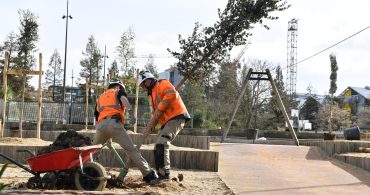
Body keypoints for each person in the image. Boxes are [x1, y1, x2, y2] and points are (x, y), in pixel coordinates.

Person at [93, 80, 160, 184]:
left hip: (101, 126)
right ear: (119, 87)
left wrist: (102, 132)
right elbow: (124, 100)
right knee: (132, 151)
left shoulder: (100, 97)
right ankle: (149, 175)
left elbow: (97, 116)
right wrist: (131, 114)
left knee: (94, 151)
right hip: (115, 124)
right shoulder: (118, 92)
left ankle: (84, 171)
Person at [138, 70, 190, 180]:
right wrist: (149, 128)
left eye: (142, 85)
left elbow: (171, 94)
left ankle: (164, 175)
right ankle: (161, 173)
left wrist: (159, 109)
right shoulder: (151, 96)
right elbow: (155, 115)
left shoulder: (162, 83)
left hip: (176, 116)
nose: (142, 88)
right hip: (167, 121)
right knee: (157, 147)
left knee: (162, 144)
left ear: (147, 81)